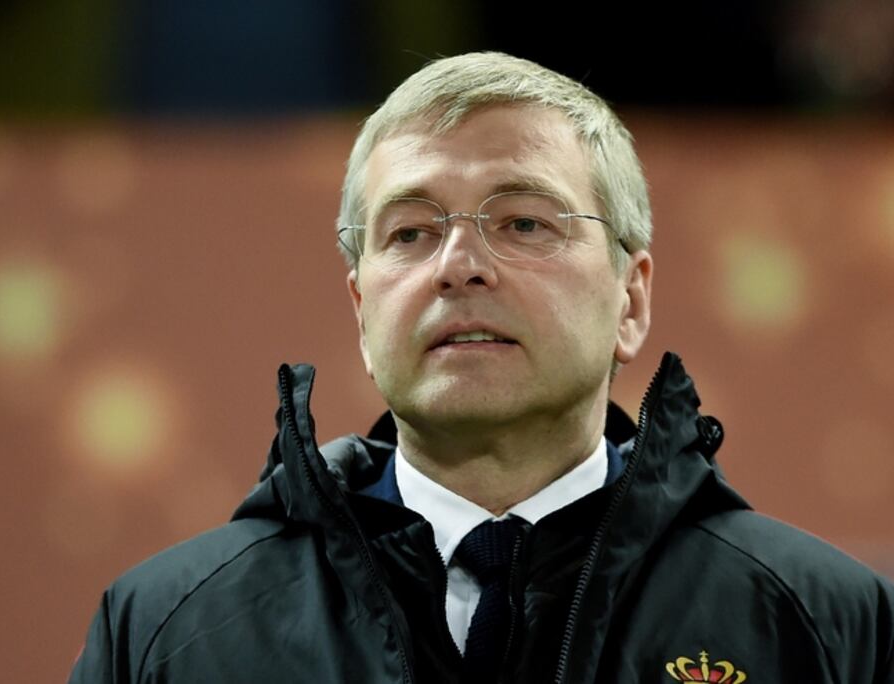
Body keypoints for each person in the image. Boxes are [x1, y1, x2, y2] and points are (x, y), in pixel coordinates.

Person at [69, 52, 894, 683]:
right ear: (362, 313)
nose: (459, 266)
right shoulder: (164, 629)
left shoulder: (826, 621)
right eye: (410, 233)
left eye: (524, 223)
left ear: (631, 299)